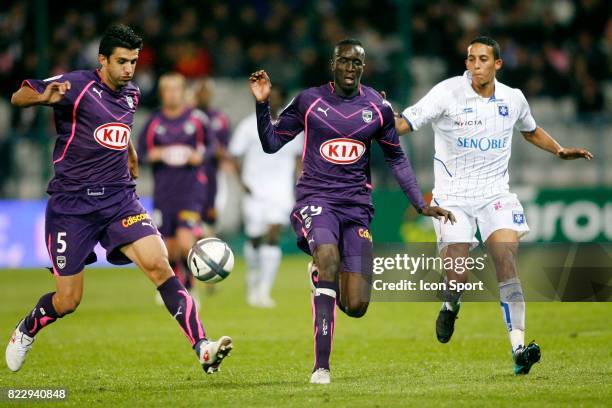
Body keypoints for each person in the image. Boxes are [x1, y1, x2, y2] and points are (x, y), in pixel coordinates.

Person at [5, 24, 232, 374]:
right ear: (102, 60)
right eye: (122, 62)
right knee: (68, 301)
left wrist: (130, 152)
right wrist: (42, 98)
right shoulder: (77, 85)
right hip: (73, 205)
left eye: (134, 62)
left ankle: (202, 347)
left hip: (119, 200)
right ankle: (27, 329)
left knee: (160, 266)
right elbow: (18, 96)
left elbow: (115, 130)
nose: (129, 69)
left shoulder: (132, 94)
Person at [249, 38, 454, 384]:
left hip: (356, 206)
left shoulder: (378, 108)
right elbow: (271, 143)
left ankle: (320, 279)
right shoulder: (310, 101)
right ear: (333, 64)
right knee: (328, 256)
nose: (349, 68)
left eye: (356, 63)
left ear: (363, 67)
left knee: (356, 305)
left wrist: (420, 203)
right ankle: (321, 367)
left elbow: (397, 158)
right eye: (344, 61)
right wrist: (262, 105)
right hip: (316, 199)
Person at [396, 36, 593, 375]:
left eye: (483, 59)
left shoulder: (513, 99)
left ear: (497, 64)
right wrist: (380, 117)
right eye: (471, 59)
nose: (475, 65)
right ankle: (450, 304)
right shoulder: (447, 93)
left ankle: (518, 348)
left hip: (495, 195)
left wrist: (559, 150)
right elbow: (405, 123)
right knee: (457, 275)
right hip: (452, 196)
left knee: (505, 258)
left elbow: (529, 131)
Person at [137, 72, 214, 307]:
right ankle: (173, 287)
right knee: (169, 249)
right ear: (162, 94)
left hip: (191, 190)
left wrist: (198, 155)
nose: (172, 94)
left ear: (183, 92)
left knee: (185, 242)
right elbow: (139, 154)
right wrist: (154, 155)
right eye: (167, 90)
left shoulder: (197, 120)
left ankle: (191, 289)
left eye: (176, 89)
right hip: (164, 192)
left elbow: (211, 148)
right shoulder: (154, 123)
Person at [228, 86, 303, 308]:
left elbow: (299, 157)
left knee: (272, 235)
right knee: (254, 239)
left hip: (280, 192)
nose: (273, 103)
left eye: (277, 99)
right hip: (255, 191)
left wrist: (300, 181)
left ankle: (264, 290)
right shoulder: (249, 126)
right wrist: (242, 183)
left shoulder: (291, 126)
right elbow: (233, 155)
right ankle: (253, 280)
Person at [194, 78, 231, 236]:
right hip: (192, 173)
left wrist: (221, 153)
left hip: (214, 172)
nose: (204, 95)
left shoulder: (220, 118)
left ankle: (209, 253)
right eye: (201, 91)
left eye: (207, 92)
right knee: (193, 217)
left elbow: (226, 147)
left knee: (212, 216)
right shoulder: (190, 115)